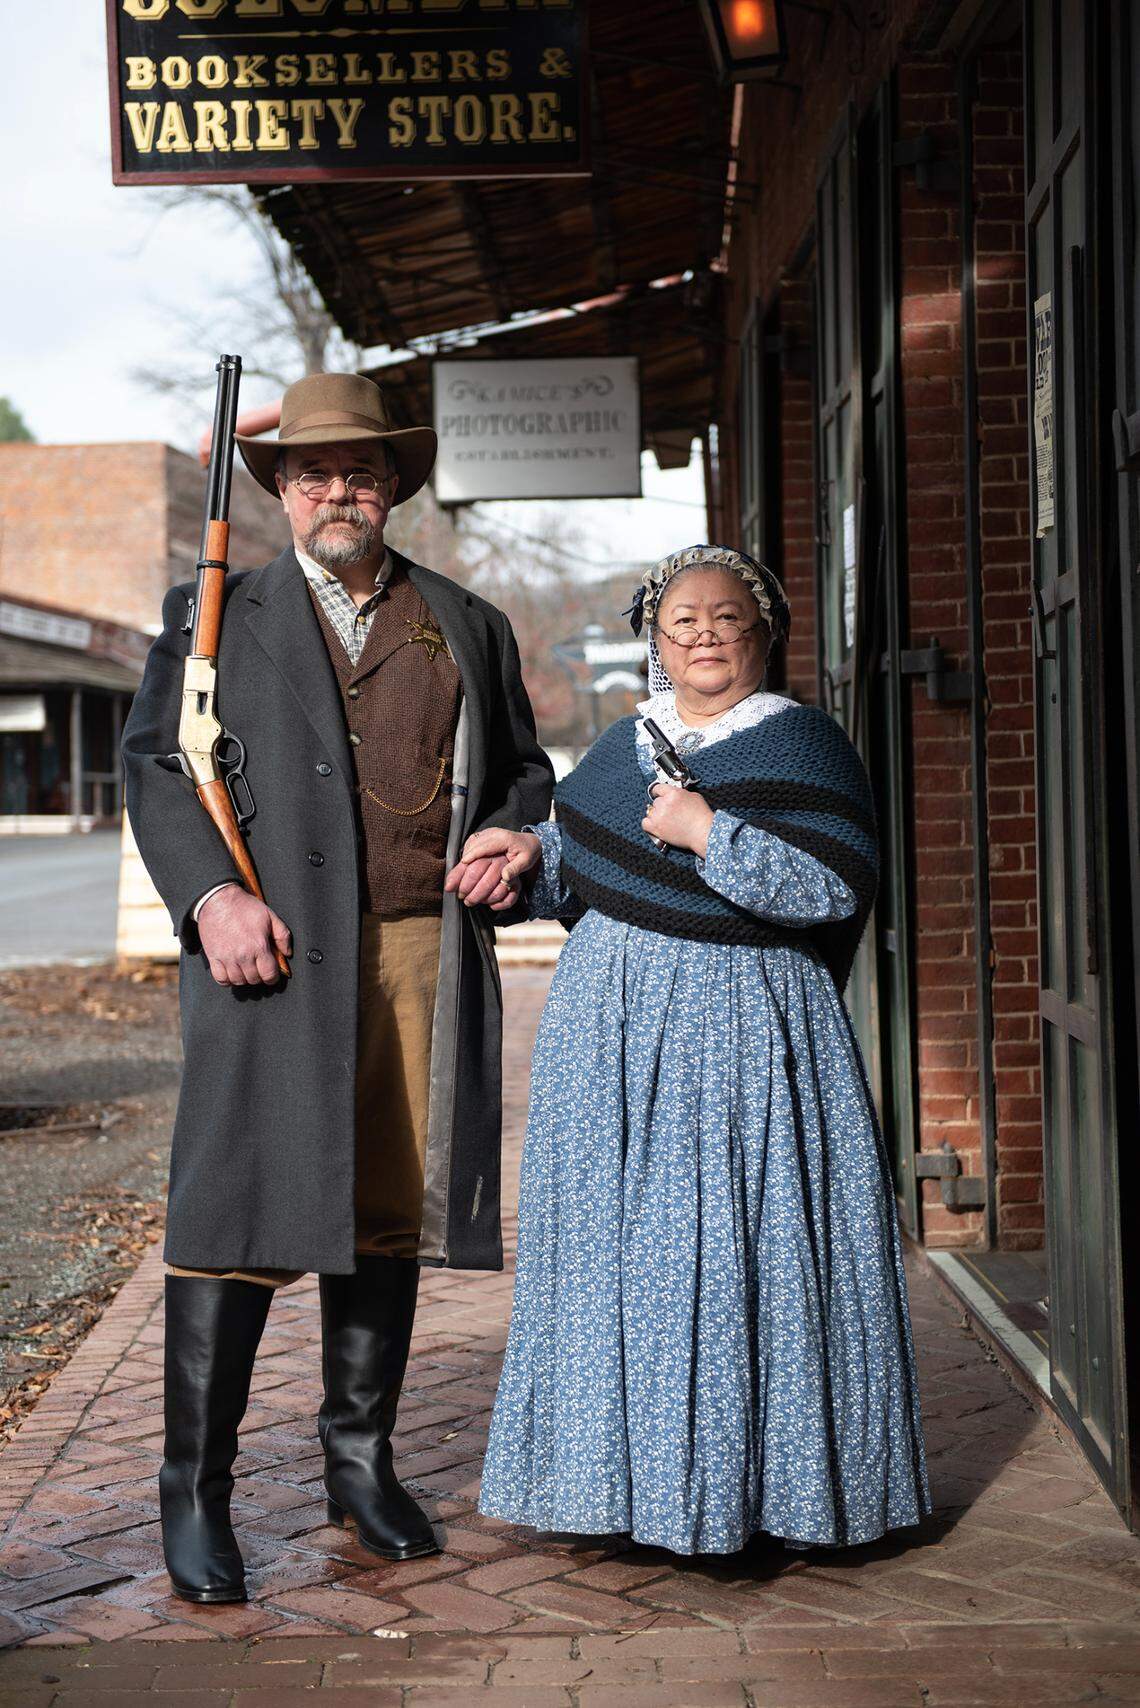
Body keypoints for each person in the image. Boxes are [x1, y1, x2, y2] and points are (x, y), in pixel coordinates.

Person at [122, 371, 552, 1604]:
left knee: (384, 1209)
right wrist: (213, 898)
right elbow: (158, 765)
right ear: (282, 492)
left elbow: (525, 769)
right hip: (268, 956)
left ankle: (358, 1465)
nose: (337, 491)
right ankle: (192, 1495)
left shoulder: (467, 620)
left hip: (419, 949)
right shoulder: (213, 614)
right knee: (233, 1216)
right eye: (313, 473)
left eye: (359, 471)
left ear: (393, 484)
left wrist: (519, 836)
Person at [454, 543, 931, 1556]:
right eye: (682, 623)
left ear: (765, 634)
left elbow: (831, 890)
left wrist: (710, 830)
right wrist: (528, 855)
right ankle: (625, 1490)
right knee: (620, 1255)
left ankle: (763, 1494)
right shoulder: (625, 748)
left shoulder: (805, 745)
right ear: (655, 643)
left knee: (743, 1249)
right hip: (609, 1039)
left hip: (746, 1031)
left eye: (725, 618)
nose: (704, 634)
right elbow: (577, 870)